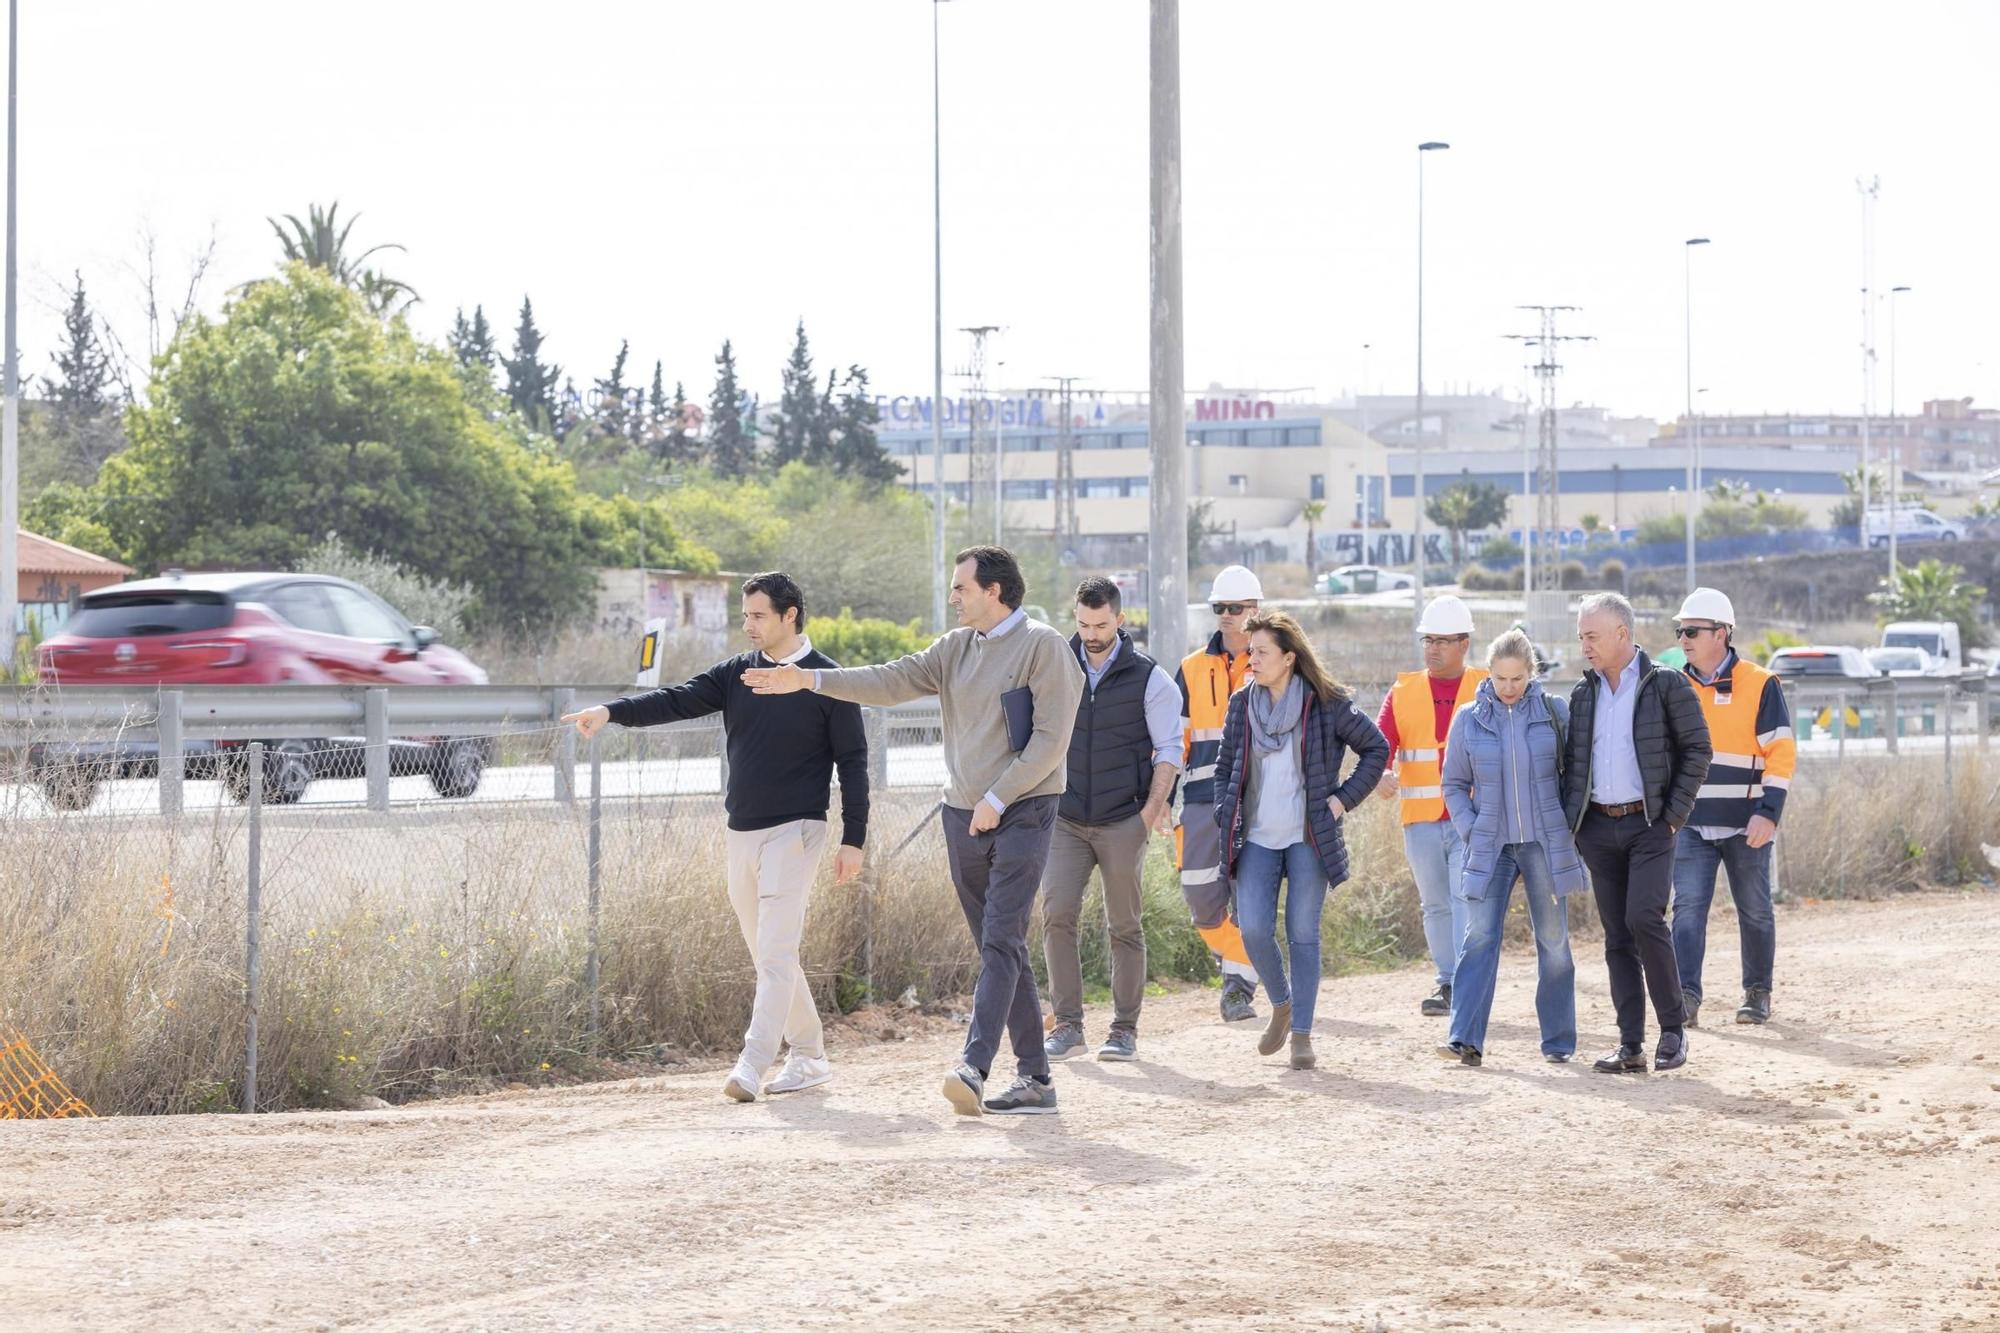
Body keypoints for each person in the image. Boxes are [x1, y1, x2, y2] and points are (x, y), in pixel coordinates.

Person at [744, 546, 1083, 1117]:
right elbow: (891, 680)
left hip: (1024, 808)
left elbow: (1051, 741)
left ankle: (973, 1066)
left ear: (993, 591)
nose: (953, 596)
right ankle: (1037, 1079)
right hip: (963, 814)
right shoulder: (954, 648)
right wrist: (809, 680)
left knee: (1001, 939)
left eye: (961, 588)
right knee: (1001, 947)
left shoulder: (1044, 647)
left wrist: (998, 798)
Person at [562, 572, 867, 1103]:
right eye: (745, 615)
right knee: (770, 955)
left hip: (797, 831)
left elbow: (855, 763)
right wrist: (610, 711)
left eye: (758, 616)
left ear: (789, 614)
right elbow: (676, 699)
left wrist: (854, 838)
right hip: (741, 832)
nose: (748, 625)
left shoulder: (826, 679)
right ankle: (811, 1055)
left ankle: (751, 1063)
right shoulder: (736, 673)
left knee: (775, 953)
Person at [1212, 611, 1389, 1071]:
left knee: (1302, 934)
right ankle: (1282, 1003)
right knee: (1251, 928)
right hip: (1256, 838)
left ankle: (1303, 1037)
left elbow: (1376, 749)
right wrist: (1223, 813)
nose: (1253, 660)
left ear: (1289, 658)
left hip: (1309, 838)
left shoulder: (1327, 703)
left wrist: (1341, 801)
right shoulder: (1241, 705)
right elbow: (1226, 767)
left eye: (1262, 652)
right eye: (1251, 652)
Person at [1560, 592, 1712, 1074]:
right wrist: (1576, 826)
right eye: (1581, 636)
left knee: (1645, 918)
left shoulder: (1666, 685)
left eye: (1592, 635)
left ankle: (1672, 1030)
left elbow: (1698, 749)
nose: (1584, 644)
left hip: (1651, 825)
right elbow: (1571, 765)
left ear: (1622, 634)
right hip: (1599, 829)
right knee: (1616, 937)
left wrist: (1672, 816)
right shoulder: (1583, 696)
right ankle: (1631, 1045)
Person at [1040, 577, 1182, 1063]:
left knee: (1124, 926)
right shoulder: (1057, 664)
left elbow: (1169, 752)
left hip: (1125, 819)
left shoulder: (1151, 679)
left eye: (1101, 625)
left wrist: (1147, 815)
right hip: (1066, 818)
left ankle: (1123, 1030)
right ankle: (1069, 1026)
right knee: (1056, 915)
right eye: (1082, 624)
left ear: (1120, 620)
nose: (1091, 634)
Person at [1437, 629, 1583, 1067]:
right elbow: (1453, 784)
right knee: (1478, 937)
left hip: (1543, 844)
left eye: (1517, 679)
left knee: (1554, 941)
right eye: (1500, 678)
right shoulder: (1468, 718)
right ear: (1489, 673)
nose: (1508, 688)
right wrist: (1471, 828)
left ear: (1531, 674)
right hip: (1490, 848)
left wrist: (1568, 827)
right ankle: (1464, 1038)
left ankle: (1558, 1042)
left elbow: (1576, 776)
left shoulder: (1555, 712)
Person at [1669, 587, 1795, 1026]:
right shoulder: (1674, 685)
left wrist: (1769, 812)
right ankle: (1685, 997)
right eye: (1680, 630)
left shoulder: (1761, 684)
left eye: (1692, 631)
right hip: (1689, 825)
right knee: (1686, 911)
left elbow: (1781, 752)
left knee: (1755, 910)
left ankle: (1757, 993)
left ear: (1722, 633)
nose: (1683, 638)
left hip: (1748, 825)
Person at [1376, 594, 1487, 1017]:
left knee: (1464, 898)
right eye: (1428, 640)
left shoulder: (1488, 685)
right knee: (1435, 904)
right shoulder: (1403, 691)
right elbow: (1379, 742)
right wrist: (1382, 772)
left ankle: (1464, 983)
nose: (1433, 648)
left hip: (1470, 818)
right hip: (1420, 820)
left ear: (1464, 643)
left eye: (1442, 641)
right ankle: (1447, 981)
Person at [1174, 565, 1266, 1024]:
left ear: (1255, 610)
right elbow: (1175, 742)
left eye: (1235, 608)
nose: (1226, 616)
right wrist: (1162, 801)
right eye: (1219, 609)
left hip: (1257, 802)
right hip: (1201, 802)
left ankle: (1237, 990)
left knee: (1248, 897)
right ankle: (1257, 960)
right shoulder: (1191, 669)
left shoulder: (1275, 663)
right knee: (1200, 898)